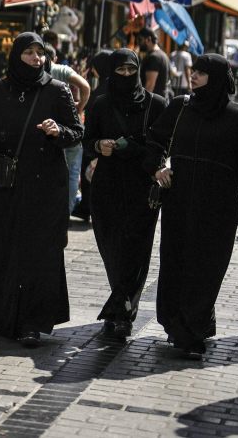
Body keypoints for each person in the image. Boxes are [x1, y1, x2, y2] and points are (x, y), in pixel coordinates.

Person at [0, 32, 83, 348]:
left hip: (45, 188)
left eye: (39, 53)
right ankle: (6, 319)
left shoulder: (57, 91)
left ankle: (32, 322)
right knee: (6, 251)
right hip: (7, 186)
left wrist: (59, 131)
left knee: (37, 255)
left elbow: (77, 133)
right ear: (16, 56)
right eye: (29, 53)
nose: (36, 59)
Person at [148, 53, 238, 360]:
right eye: (193, 70)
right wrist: (161, 166)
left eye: (201, 72)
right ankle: (179, 324)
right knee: (177, 264)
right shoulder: (182, 108)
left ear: (217, 77)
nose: (193, 75)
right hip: (179, 204)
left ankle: (192, 330)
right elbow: (156, 141)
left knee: (206, 269)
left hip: (217, 210)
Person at [83, 49, 168, 338]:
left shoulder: (155, 104)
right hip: (106, 187)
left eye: (132, 71)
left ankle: (122, 312)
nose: (127, 76)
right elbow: (87, 140)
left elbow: (162, 146)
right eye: (121, 71)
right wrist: (99, 147)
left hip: (141, 187)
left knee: (135, 251)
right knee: (113, 250)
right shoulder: (101, 103)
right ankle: (121, 301)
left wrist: (135, 149)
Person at [45, 44, 90, 213]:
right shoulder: (61, 69)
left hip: (48, 128)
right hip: (70, 127)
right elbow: (85, 87)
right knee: (72, 172)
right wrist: (79, 107)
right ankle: (66, 213)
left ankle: (49, 210)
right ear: (54, 58)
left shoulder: (35, 70)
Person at [74, 49, 115, 223]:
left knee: (90, 173)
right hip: (107, 140)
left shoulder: (100, 91)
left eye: (95, 67)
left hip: (96, 140)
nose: (93, 71)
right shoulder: (112, 86)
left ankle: (87, 207)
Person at [137, 28, 171, 98]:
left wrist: (143, 103)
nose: (138, 43)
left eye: (140, 40)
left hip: (153, 104)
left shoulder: (154, 57)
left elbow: (149, 85)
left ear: (148, 39)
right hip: (160, 100)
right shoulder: (163, 54)